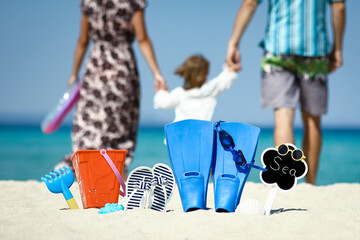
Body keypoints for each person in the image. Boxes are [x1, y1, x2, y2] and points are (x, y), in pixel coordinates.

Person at [226, 0, 346, 184]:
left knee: (283, 118)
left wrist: (234, 42)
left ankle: (288, 182)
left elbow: (250, 3)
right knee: (313, 120)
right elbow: (339, 6)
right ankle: (310, 183)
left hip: (277, 49)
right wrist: (338, 48)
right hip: (315, 49)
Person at [57, 0, 167, 179]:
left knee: (91, 121)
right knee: (119, 125)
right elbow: (142, 39)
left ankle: (83, 168)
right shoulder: (132, 3)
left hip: (96, 68)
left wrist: (74, 73)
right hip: (121, 69)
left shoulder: (90, 3)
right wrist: (157, 73)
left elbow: (83, 40)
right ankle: (117, 172)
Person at [153, 55, 237, 123]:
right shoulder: (210, 90)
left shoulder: (179, 93)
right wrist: (231, 65)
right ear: (204, 76)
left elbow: (165, 102)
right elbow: (224, 79)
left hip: (179, 138)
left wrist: (161, 92)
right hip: (201, 137)